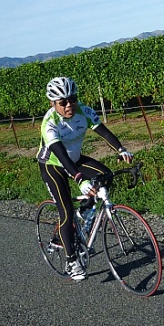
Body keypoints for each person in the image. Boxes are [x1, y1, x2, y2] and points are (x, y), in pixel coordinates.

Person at [37, 76, 133, 281]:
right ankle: (71, 260)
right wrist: (80, 179)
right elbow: (61, 155)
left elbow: (104, 132)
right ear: (53, 104)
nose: (69, 105)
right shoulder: (49, 123)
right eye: (63, 102)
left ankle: (86, 209)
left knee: (105, 176)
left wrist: (121, 149)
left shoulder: (84, 112)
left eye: (72, 99)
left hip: (76, 159)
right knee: (66, 213)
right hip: (54, 165)